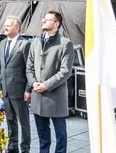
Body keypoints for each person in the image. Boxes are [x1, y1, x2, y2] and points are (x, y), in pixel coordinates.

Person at [26, 9, 74, 153]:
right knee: (43, 136)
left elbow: (65, 71)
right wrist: (33, 83)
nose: (43, 21)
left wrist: (46, 85)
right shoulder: (35, 41)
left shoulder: (65, 44)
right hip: (38, 97)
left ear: (56, 24)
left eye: (47, 19)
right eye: (43, 19)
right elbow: (29, 66)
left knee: (61, 135)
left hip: (55, 98)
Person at [0, 15, 31, 153]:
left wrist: (28, 89)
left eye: (9, 25)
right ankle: (12, 147)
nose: (5, 27)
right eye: (5, 25)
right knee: (10, 120)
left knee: (23, 122)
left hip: (19, 90)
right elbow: (0, 67)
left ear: (17, 28)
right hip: (5, 90)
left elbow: (29, 68)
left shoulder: (25, 44)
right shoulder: (2, 43)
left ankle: (25, 148)